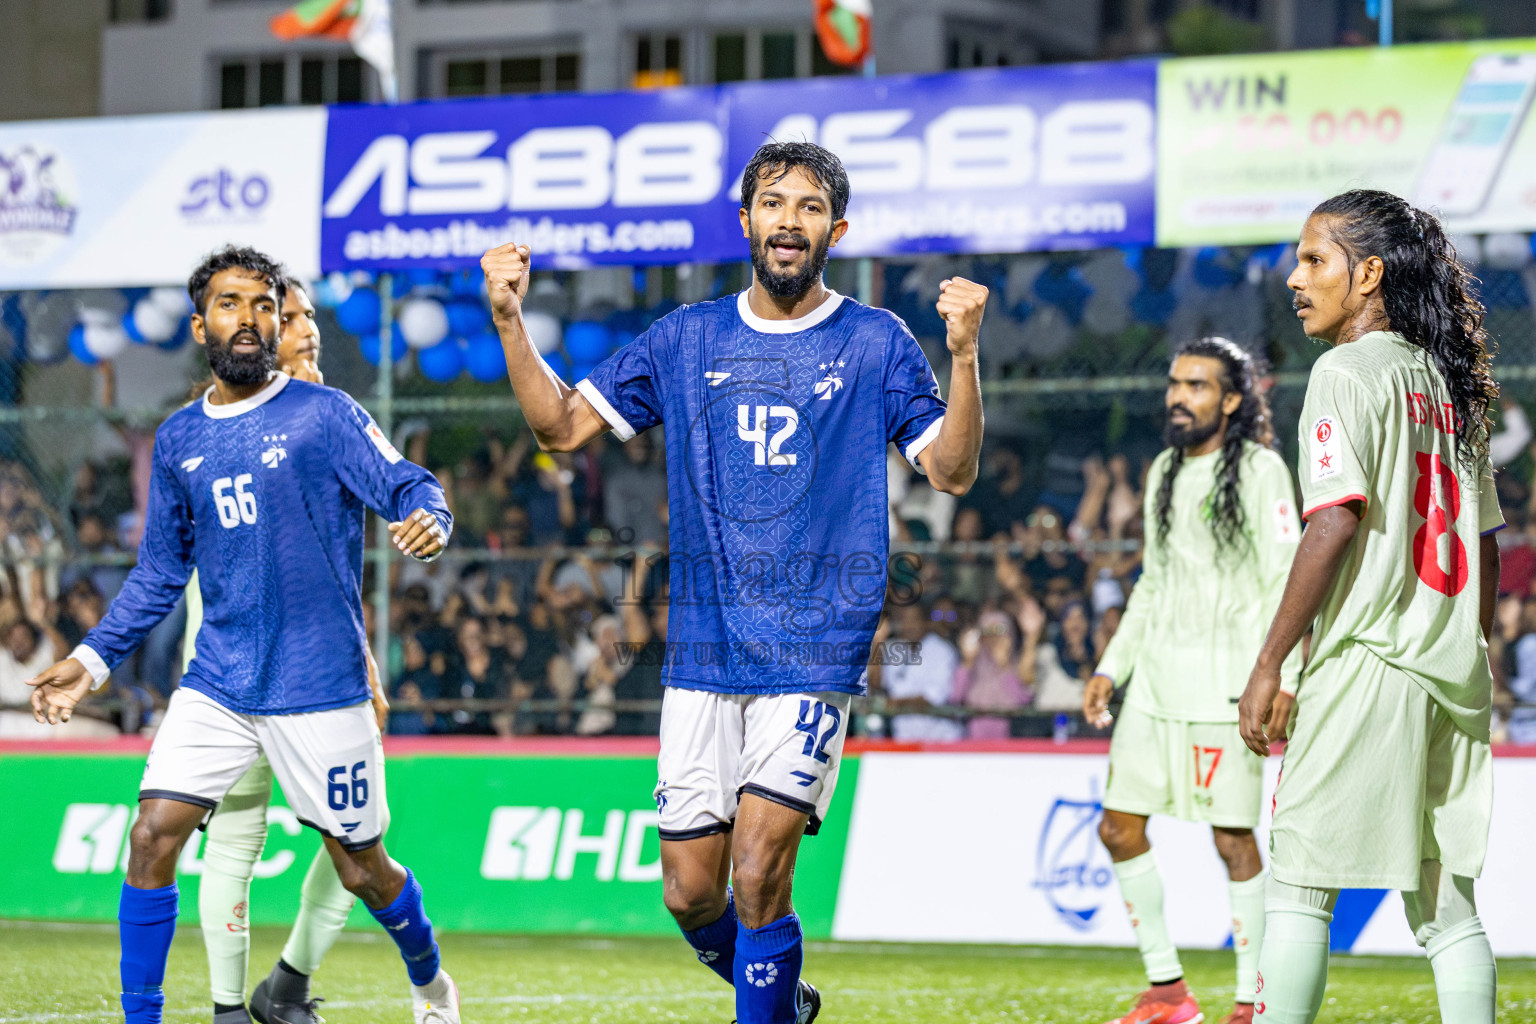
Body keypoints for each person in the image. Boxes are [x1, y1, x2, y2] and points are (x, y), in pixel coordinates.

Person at [480, 140, 985, 1024]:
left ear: (837, 228)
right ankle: (786, 1000)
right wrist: (509, 320)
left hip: (811, 649)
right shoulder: (684, 338)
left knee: (757, 877)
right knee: (689, 894)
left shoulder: (876, 342)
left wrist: (967, 356)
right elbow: (558, 429)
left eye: (811, 206)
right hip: (703, 656)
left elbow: (949, 470)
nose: (791, 221)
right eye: (775, 203)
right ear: (744, 215)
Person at [26, 247, 462, 1024]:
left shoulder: (326, 416)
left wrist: (430, 518)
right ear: (201, 325)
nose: (252, 319)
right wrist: (89, 664)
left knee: (364, 870)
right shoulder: (179, 440)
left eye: (264, 304)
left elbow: (409, 484)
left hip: (319, 686)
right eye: (231, 304)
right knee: (152, 835)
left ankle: (430, 980)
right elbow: (159, 574)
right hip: (220, 682)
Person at [1238, 190, 1503, 1023]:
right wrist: (1469, 640)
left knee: (1300, 885)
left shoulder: (1345, 372)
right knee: (1445, 905)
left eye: (1315, 259)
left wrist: (1270, 661)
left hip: (1371, 663)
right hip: (1451, 669)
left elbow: (1335, 520)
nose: (1295, 276)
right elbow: (1486, 540)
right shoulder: (1448, 385)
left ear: (1370, 274)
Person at [190, 276, 395, 1024]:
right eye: (292, 316)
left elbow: (325, 572)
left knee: (359, 837)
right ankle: (230, 1008)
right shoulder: (228, 423)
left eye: (309, 316)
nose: (307, 329)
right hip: (237, 658)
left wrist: (362, 658)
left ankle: (286, 986)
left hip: (318, 663)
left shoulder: (331, 417)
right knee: (238, 835)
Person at [1085, 337, 1301, 1024]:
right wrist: (1110, 666)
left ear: (1232, 401)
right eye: (1175, 383)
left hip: (1228, 693)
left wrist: (1285, 678)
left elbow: (1286, 583)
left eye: (1198, 386)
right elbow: (1152, 584)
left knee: (1233, 841)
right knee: (1118, 829)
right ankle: (1168, 992)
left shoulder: (1264, 471)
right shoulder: (1162, 471)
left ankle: (1252, 1000)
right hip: (1153, 688)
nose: (1179, 396)